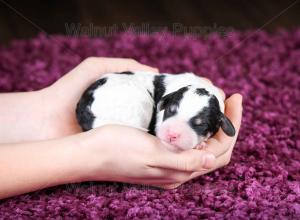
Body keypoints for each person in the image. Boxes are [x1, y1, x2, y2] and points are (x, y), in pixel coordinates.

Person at [0, 57, 243, 199]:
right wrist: (91, 157)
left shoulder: (187, 94)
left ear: (219, 124)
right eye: (170, 113)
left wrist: (43, 111)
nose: (172, 131)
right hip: (108, 101)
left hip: (102, 104)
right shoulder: (168, 92)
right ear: (166, 103)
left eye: (198, 125)